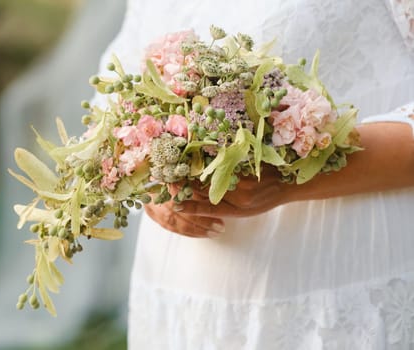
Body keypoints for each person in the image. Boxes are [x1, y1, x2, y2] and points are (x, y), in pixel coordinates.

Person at [94, 0, 414, 348]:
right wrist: (149, 181)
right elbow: (111, 97)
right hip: (187, 303)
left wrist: (293, 180)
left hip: (339, 283)